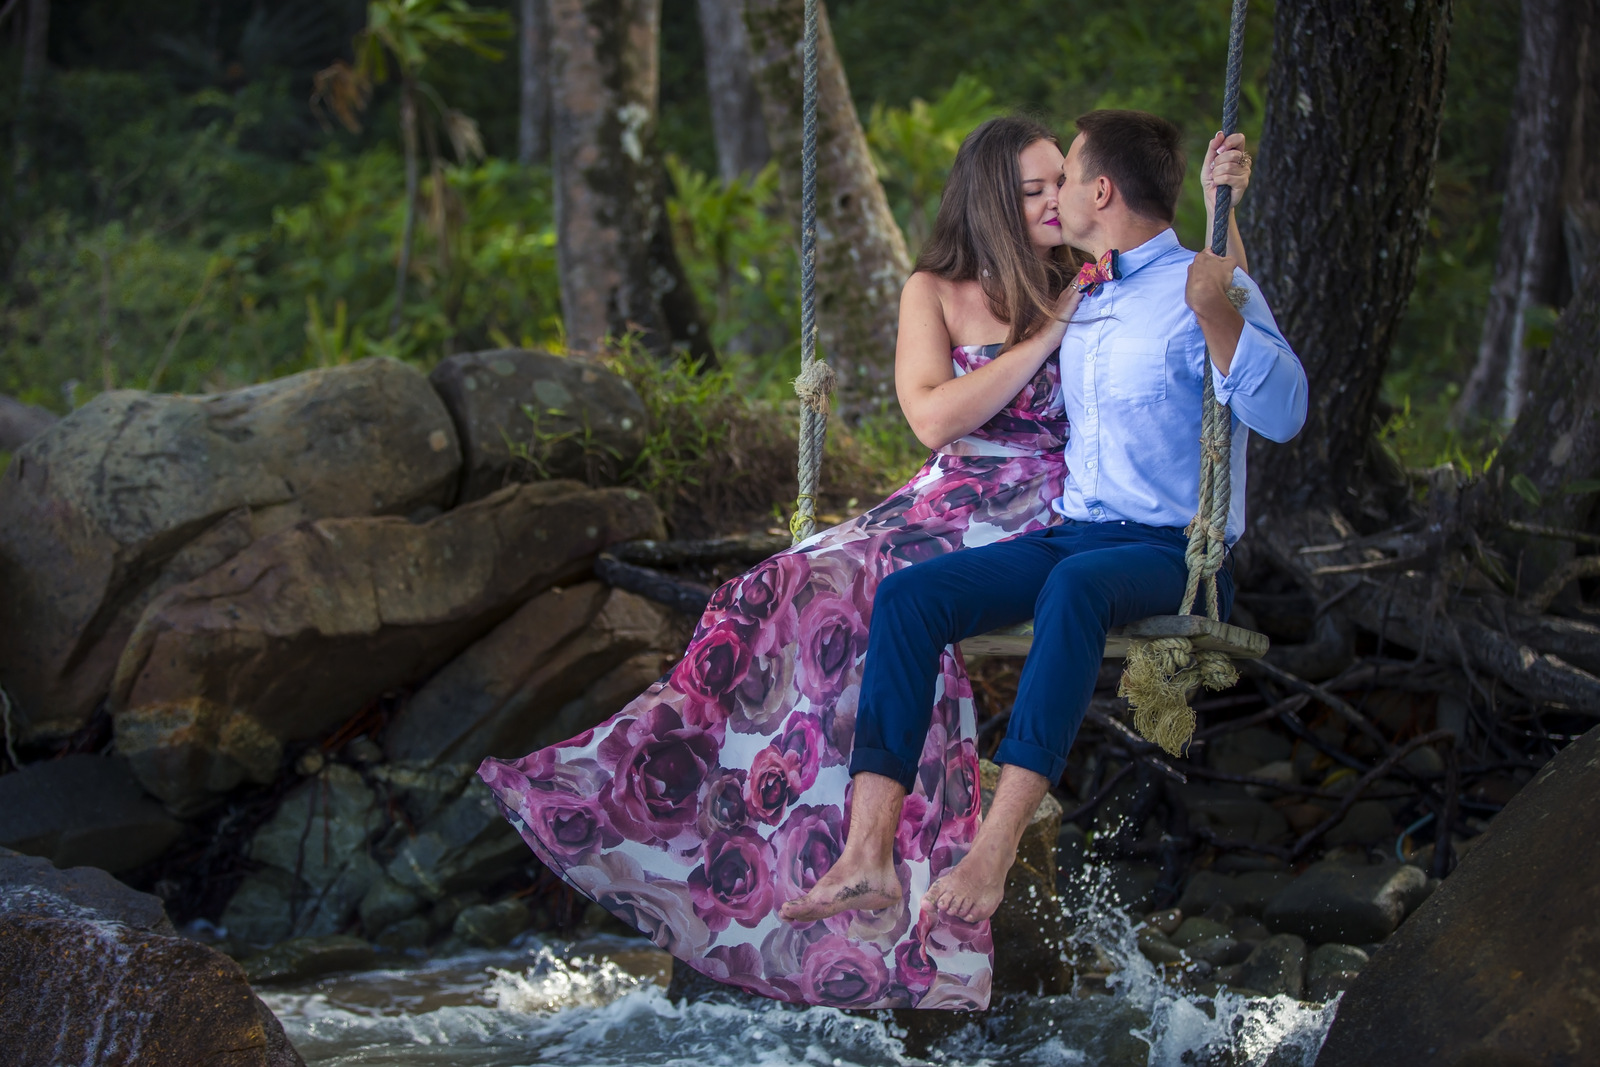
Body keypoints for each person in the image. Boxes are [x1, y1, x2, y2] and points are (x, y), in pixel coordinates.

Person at [478, 113, 1255, 1011]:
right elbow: (931, 420)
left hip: (1052, 503)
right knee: (773, 586)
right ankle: (697, 795)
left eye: (1062, 182)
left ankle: (886, 851)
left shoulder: (1087, 274)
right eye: (1033, 188)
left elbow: (1212, 292)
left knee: (877, 589)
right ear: (991, 198)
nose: (1054, 200)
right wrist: (1040, 340)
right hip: (948, 492)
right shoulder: (941, 289)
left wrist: (1224, 203)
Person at [778, 109, 1307, 931]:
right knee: (911, 597)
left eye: (1065, 178)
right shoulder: (1080, 293)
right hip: (1073, 532)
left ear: (1101, 191)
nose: (1052, 195)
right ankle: (867, 854)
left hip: (1170, 551)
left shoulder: (1202, 289)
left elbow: (1286, 412)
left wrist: (1220, 300)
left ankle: (993, 848)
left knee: (1075, 585)